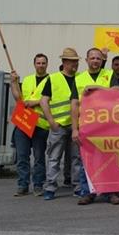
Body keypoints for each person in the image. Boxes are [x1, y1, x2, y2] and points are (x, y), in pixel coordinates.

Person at [72, 48, 119, 205]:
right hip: (87, 125)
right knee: (86, 161)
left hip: (107, 125)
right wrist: (75, 129)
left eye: (98, 58)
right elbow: (74, 104)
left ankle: (110, 193)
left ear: (102, 60)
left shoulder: (109, 75)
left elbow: (116, 92)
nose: (95, 61)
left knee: (110, 159)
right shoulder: (78, 78)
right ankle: (88, 192)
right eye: (92, 58)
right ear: (86, 60)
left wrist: (97, 87)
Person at [39, 48, 83, 200]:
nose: (75, 65)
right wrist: (51, 121)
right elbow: (43, 100)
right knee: (54, 157)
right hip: (59, 126)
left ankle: (77, 186)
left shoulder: (80, 78)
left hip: (76, 125)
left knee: (77, 158)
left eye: (77, 62)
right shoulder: (53, 78)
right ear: (64, 62)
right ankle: (50, 187)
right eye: (72, 62)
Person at [10, 55, 50, 197]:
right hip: (24, 121)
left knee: (39, 157)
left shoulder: (51, 80)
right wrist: (13, 83)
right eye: (38, 63)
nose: (41, 65)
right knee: (22, 156)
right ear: (34, 64)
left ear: (47, 64)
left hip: (40, 123)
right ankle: (23, 185)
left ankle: (38, 185)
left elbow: (52, 98)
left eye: (43, 63)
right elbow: (19, 99)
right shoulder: (27, 80)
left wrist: (36, 102)